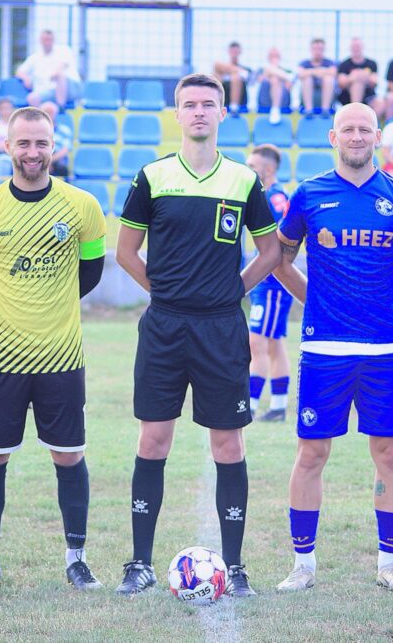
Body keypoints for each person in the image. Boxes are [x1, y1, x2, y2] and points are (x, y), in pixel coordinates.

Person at [114, 73, 281, 597]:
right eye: (190, 104)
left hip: (221, 328)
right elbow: (125, 251)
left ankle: (235, 567)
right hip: (165, 326)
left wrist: (233, 289)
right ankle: (139, 563)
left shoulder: (243, 180)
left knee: (227, 442)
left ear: (223, 113)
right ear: (178, 113)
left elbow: (271, 251)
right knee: (153, 439)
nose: (200, 112)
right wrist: (164, 291)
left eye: (209, 104)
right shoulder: (153, 176)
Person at [272, 102, 393, 594]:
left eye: (365, 129)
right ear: (333, 137)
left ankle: (390, 564)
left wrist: (386, 301)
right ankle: (303, 565)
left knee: (389, 453)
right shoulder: (308, 194)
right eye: (348, 129)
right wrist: (316, 300)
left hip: (384, 348)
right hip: (324, 348)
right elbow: (280, 259)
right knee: (311, 452)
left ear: (378, 136)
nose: (357, 136)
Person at [0, 106, 108, 593]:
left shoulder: (83, 206)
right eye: (23, 143)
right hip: (0, 357)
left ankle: (77, 561)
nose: (32, 152)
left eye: (41, 143)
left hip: (61, 356)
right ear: (7, 147)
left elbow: (90, 273)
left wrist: (52, 305)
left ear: (53, 147)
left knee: (69, 456)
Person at [244, 144, 293, 422]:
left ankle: (250, 405)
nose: (249, 171)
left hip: (272, 282)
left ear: (269, 169)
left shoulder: (275, 198)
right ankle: (278, 406)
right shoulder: (264, 195)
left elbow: (282, 241)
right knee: (273, 343)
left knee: (257, 342)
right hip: (265, 281)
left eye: (253, 167)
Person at [17, 29, 82, 109]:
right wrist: (26, 78)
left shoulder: (64, 50)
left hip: (71, 89)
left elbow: (61, 68)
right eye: (45, 40)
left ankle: (61, 108)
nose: (47, 42)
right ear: (40, 41)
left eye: (49, 39)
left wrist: (54, 75)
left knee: (60, 76)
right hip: (48, 91)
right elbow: (20, 71)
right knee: (31, 98)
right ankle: (44, 114)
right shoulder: (34, 57)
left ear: (53, 40)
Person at [336, 37, 384, 119]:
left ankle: (370, 122)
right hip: (347, 98)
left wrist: (360, 75)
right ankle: (356, 114)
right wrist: (353, 77)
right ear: (350, 48)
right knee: (357, 84)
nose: (356, 49)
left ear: (363, 47)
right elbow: (341, 83)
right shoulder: (344, 64)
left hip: (368, 96)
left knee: (381, 103)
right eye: (354, 47)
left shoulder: (372, 63)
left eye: (358, 46)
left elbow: (374, 82)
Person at [297, 38, 337, 118]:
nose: (317, 52)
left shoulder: (329, 62)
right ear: (311, 50)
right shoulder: (304, 63)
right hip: (308, 95)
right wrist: (316, 71)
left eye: (320, 49)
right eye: (315, 49)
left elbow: (333, 73)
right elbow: (300, 74)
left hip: (327, 95)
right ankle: (309, 111)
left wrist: (311, 71)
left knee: (328, 79)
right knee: (307, 79)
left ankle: (325, 110)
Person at [256, 47, 293, 125]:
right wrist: (283, 77)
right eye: (272, 56)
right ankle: (275, 110)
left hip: (283, 100)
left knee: (275, 78)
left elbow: (289, 86)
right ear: (268, 57)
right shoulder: (262, 70)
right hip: (265, 99)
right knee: (274, 77)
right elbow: (260, 80)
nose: (274, 58)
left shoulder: (287, 70)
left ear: (280, 57)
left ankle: (275, 109)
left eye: (276, 56)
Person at [213, 41, 252, 115]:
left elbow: (251, 81)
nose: (234, 53)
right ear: (229, 51)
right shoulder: (221, 69)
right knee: (216, 71)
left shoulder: (246, 69)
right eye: (232, 51)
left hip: (240, 102)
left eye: (236, 51)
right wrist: (238, 71)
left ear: (240, 52)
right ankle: (216, 104)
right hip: (223, 100)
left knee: (236, 77)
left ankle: (234, 108)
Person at [41, 101, 72, 177]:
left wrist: (50, 161)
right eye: (46, 112)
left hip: (57, 160)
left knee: (62, 166)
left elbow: (65, 149)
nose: (49, 115)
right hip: (41, 158)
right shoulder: (36, 131)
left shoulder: (64, 130)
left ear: (56, 114)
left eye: (51, 112)